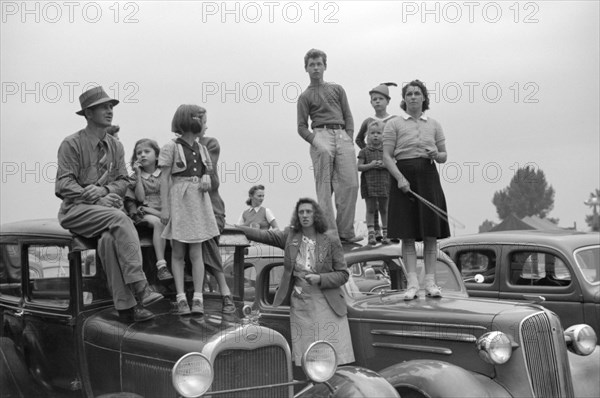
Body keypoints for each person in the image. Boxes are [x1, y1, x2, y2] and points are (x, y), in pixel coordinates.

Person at [55, 86, 162, 323]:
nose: (110, 110)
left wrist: (105, 190)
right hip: (76, 210)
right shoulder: (71, 144)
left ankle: (126, 308)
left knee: (109, 241)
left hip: (106, 210)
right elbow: (63, 184)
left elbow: (124, 180)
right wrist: (93, 196)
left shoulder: (116, 146)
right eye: (103, 107)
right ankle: (141, 286)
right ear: (88, 113)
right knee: (119, 218)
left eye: (111, 106)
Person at [236, 198, 355, 366]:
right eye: (301, 212)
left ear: (316, 215)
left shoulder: (331, 240)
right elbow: (263, 235)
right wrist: (234, 228)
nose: (305, 215)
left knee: (329, 356)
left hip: (327, 304)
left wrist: (320, 278)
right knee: (308, 358)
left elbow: (343, 274)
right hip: (300, 306)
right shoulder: (289, 236)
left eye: (308, 212)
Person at [159, 104, 234, 316]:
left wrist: (206, 176)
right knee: (178, 252)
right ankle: (181, 297)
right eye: (203, 120)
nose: (206, 125)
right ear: (192, 121)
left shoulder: (202, 149)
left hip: (198, 203)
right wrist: (165, 208)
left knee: (197, 251)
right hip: (180, 201)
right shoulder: (171, 147)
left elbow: (208, 171)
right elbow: (164, 178)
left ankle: (198, 297)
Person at [382, 80, 450, 300]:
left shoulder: (434, 124)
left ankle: (430, 282)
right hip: (403, 177)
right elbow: (386, 156)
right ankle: (411, 284)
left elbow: (444, 156)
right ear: (404, 99)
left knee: (431, 234)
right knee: (407, 235)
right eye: (409, 94)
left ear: (423, 98)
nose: (412, 97)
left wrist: (435, 154)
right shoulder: (394, 124)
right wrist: (400, 179)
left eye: (417, 93)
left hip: (428, 177)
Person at [297, 48, 360, 243]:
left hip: (341, 134)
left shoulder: (337, 89)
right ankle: (330, 234)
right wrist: (316, 141)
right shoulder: (305, 96)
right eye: (311, 65)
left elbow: (348, 115)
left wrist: (349, 137)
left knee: (350, 184)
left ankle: (346, 232)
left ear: (325, 66)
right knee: (324, 188)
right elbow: (301, 127)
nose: (315, 68)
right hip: (320, 134)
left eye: (319, 64)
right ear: (306, 68)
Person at [198, 133, 236, 314]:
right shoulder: (176, 147)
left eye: (203, 121)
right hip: (190, 211)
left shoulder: (210, 144)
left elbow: (212, 182)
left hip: (212, 211)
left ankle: (222, 289)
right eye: (200, 120)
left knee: (205, 236)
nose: (204, 125)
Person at [356, 83, 399, 241]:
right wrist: (368, 152)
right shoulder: (368, 121)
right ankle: (376, 232)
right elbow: (359, 138)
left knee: (387, 201)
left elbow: (398, 140)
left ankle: (390, 230)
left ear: (388, 101)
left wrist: (391, 155)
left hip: (389, 164)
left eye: (381, 98)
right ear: (371, 102)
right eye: (374, 99)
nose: (377, 102)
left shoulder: (394, 120)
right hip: (372, 168)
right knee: (372, 203)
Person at [127, 138, 173, 281]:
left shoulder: (165, 175)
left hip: (165, 210)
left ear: (157, 155)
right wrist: (139, 175)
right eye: (139, 153)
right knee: (158, 223)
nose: (142, 155)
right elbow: (140, 198)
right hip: (146, 212)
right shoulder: (135, 177)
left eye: (147, 151)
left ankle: (181, 264)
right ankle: (161, 266)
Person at [357, 121, 390, 245]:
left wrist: (384, 164)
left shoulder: (387, 151)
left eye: (378, 133)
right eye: (372, 133)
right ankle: (371, 233)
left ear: (383, 135)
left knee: (384, 208)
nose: (375, 136)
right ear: (367, 136)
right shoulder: (364, 151)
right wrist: (370, 165)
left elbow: (392, 164)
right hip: (369, 184)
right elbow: (359, 167)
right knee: (370, 208)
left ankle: (386, 233)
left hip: (384, 183)